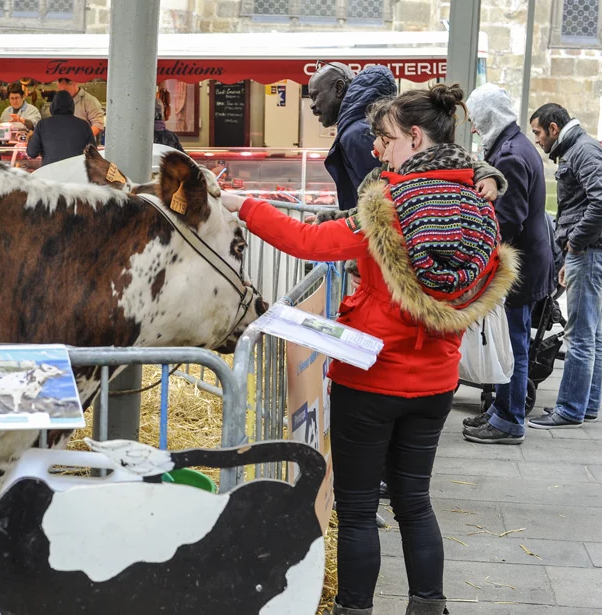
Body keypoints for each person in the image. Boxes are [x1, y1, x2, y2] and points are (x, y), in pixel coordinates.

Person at [221, 84, 518, 615]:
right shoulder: (479, 201)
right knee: (415, 502)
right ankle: (428, 604)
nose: (378, 149)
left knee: (357, 511)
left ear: (415, 136)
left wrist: (243, 205)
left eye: (386, 139)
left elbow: (309, 242)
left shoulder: (390, 206)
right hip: (437, 380)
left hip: (371, 377)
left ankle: (354, 608)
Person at [462, 84, 555, 444]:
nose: (472, 127)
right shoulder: (511, 145)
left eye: (474, 118)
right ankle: (501, 408)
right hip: (527, 262)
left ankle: (509, 420)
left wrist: (474, 248)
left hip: (521, 266)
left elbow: (508, 219)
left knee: (513, 341)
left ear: (488, 115)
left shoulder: (511, 155)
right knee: (510, 337)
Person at [527, 103, 602, 429]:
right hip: (592, 251)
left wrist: (575, 242)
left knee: (579, 335)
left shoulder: (582, 151)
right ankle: (586, 405)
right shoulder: (580, 149)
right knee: (591, 332)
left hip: (592, 251)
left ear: (554, 128)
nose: (537, 140)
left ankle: (568, 409)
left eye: (538, 132)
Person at [309, 63, 396, 211]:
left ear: (339, 88)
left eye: (315, 96)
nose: (312, 105)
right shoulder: (363, 127)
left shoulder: (357, 134)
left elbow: (378, 203)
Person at [26, 90, 95, 166]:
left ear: (53, 105)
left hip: (49, 174)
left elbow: (32, 153)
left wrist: (30, 138)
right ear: (72, 106)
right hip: (75, 174)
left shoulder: (42, 125)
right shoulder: (84, 125)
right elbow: (94, 155)